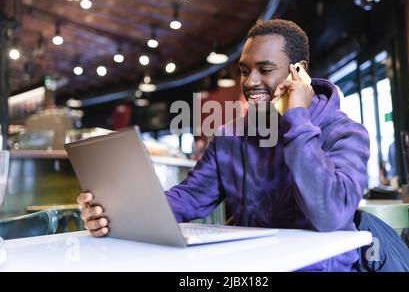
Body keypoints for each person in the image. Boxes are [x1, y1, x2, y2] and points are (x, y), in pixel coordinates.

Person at [77, 19, 370, 271]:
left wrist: (296, 118)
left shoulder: (344, 133)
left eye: (265, 69)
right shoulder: (231, 137)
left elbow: (329, 212)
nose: (250, 81)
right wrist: (115, 214)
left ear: (298, 72)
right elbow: (188, 198)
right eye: (244, 70)